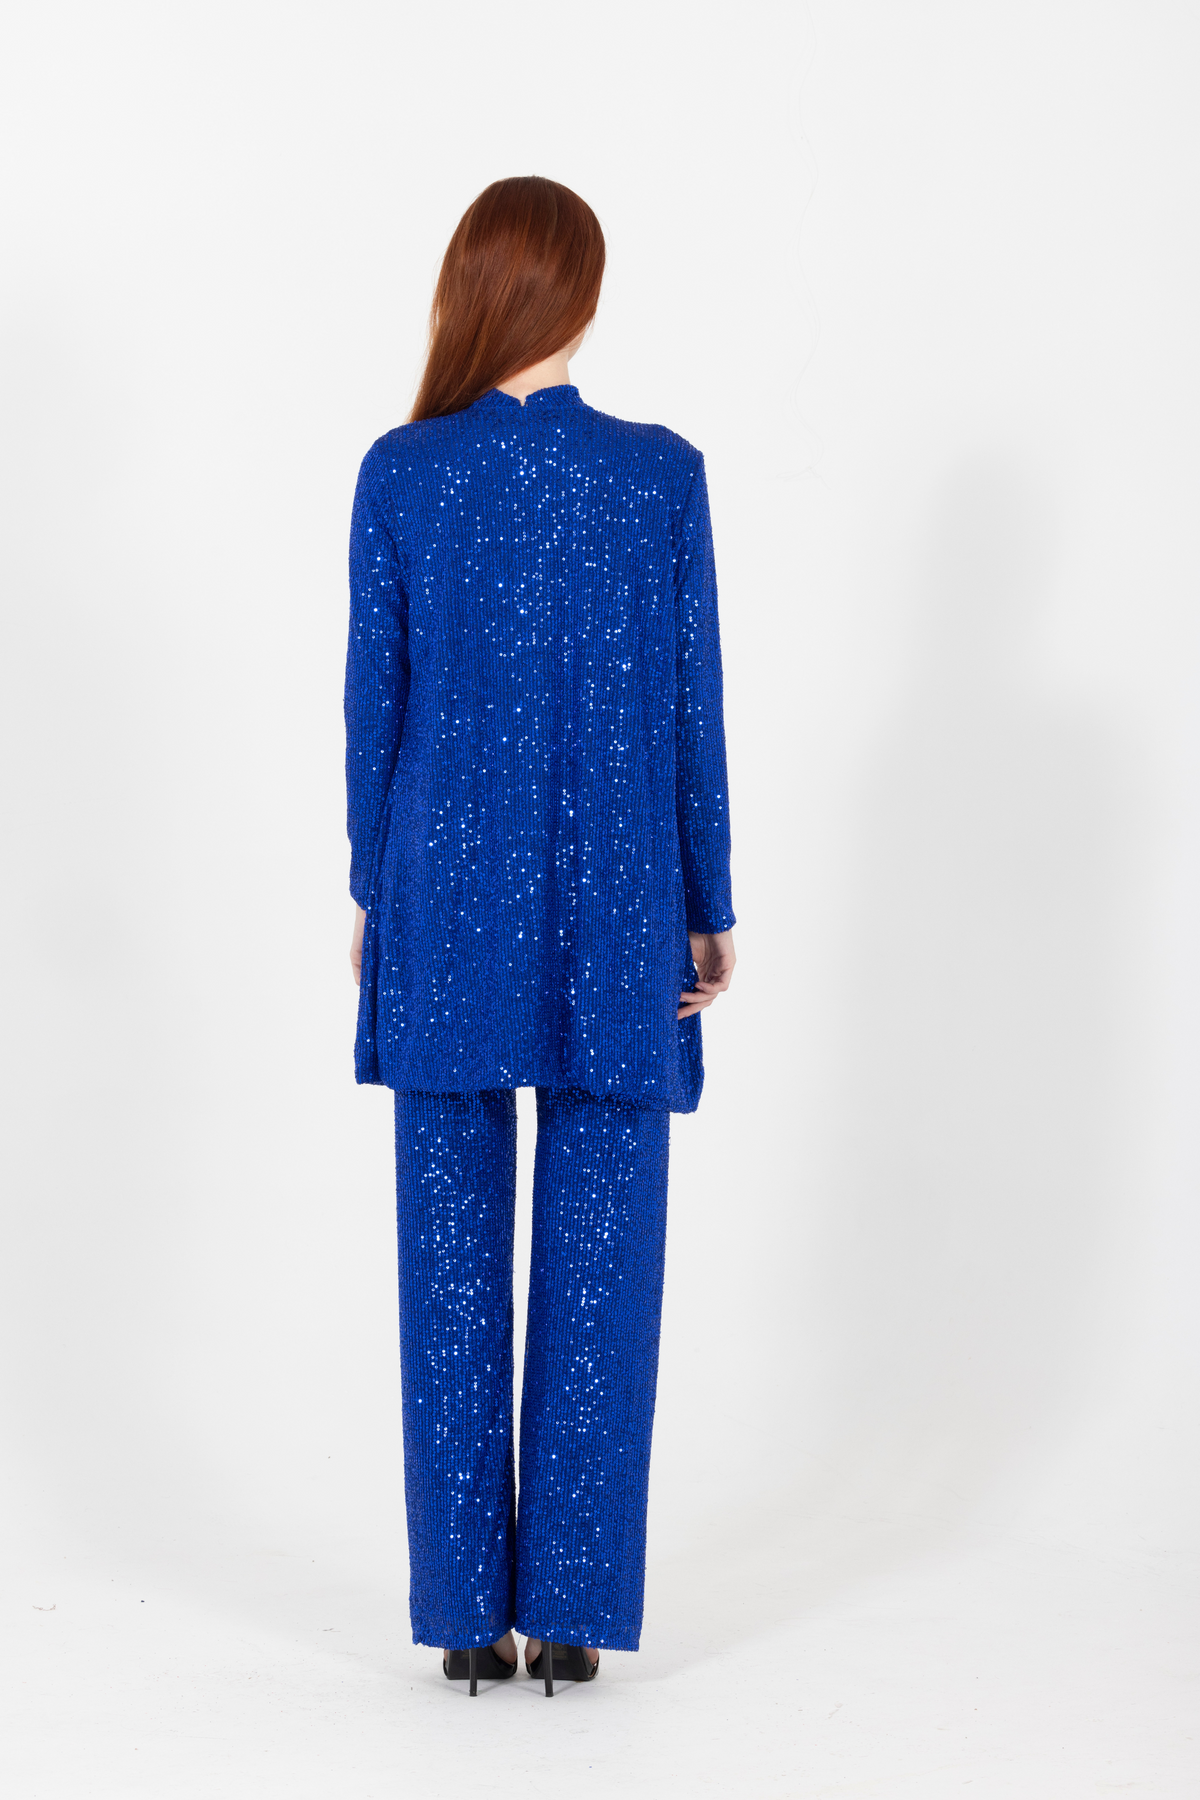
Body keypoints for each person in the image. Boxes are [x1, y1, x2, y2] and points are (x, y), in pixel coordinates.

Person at [344, 175, 735, 1696]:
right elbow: (692, 707)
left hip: (442, 904)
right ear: (586, 294)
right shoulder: (660, 476)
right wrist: (707, 904)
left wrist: (373, 897)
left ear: (469, 290)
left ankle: (463, 1615)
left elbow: (376, 710)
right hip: (621, 905)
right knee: (605, 1254)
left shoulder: (403, 472)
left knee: (445, 1255)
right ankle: (569, 1612)